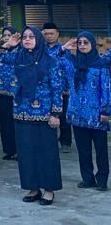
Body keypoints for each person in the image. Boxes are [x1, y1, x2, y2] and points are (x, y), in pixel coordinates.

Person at [0, 27, 63, 205]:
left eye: (31, 37)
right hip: (22, 112)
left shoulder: (50, 60)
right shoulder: (18, 57)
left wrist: (56, 113)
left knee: (47, 153)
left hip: (44, 114)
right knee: (26, 153)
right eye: (24, 37)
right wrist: (8, 45)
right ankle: (33, 187)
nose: (27, 39)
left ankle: (48, 189)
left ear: (39, 40)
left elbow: (57, 88)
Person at [61, 32, 111, 192]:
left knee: (101, 150)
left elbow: (106, 88)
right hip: (77, 115)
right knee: (83, 151)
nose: (82, 45)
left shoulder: (100, 64)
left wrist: (106, 110)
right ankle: (88, 179)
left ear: (92, 44)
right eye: (79, 43)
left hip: (97, 115)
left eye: (85, 42)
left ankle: (102, 180)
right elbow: (53, 61)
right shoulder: (71, 63)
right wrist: (64, 48)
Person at [0, 26, 18, 160]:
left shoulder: (20, 51)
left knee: (15, 123)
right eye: (4, 35)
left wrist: (6, 47)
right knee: (5, 123)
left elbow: (11, 59)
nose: (6, 37)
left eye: (9, 35)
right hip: (1, 92)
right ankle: (8, 150)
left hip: (15, 93)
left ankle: (18, 150)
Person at [43, 21, 72, 152]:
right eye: (46, 33)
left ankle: (65, 142)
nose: (49, 36)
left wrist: (68, 86)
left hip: (63, 89)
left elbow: (69, 68)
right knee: (48, 115)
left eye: (51, 33)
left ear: (57, 34)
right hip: (46, 89)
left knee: (64, 117)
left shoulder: (65, 49)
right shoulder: (41, 49)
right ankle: (49, 141)